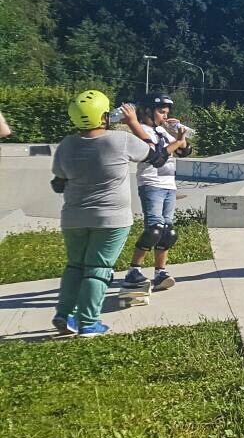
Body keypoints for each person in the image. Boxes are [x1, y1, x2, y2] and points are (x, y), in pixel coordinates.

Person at [50, 91, 153, 337]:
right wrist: (132, 123)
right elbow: (154, 154)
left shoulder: (66, 144)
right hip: (111, 218)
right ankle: (88, 323)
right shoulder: (120, 140)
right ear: (104, 116)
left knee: (75, 266)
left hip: (73, 217)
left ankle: (63, 313)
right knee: (98, 268)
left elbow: (58, 183)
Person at [123, 93, 193, 291]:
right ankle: (133, 270)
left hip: (169, 185)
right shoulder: (142, 130)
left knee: (167, 232)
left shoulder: (162, 131)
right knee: (154, 230)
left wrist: (180, 136)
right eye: (161, 112)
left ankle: (160, 272)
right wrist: (177, 143)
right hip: (151, 184)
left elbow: (184, 151)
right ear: (147, 112)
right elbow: (157, 157)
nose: (165, 115)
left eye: (167, 112)